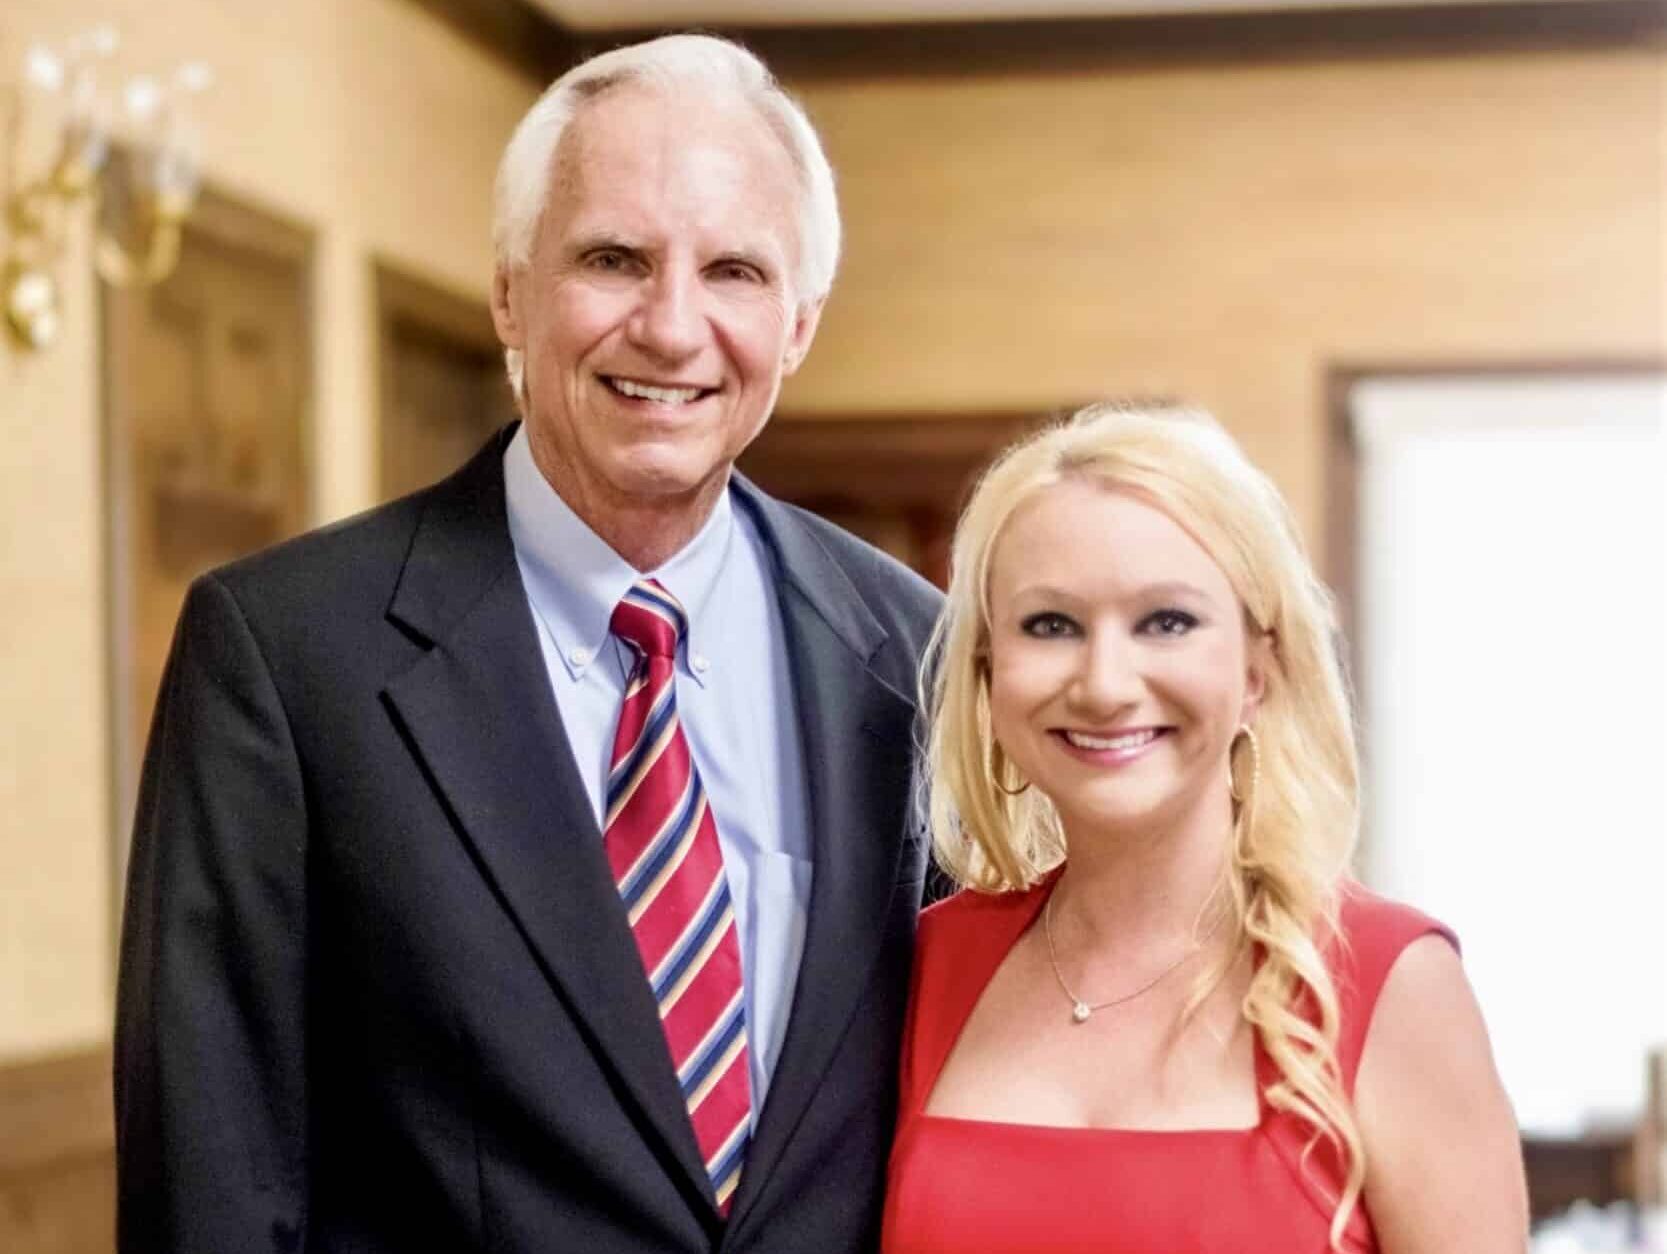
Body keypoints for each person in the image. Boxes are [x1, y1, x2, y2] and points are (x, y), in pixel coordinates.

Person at [115, 34, 941, 1254]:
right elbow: (212, 1185)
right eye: (613, 259)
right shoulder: (285, 658)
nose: (671, 327)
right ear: (509, 292)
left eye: (733, 271)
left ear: (798, 325)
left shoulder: (914, 652)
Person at [882, 404, 1527, 1252]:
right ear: (988, 673)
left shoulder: (1389, 983)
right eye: (1050, 625)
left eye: (1166, 622)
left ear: (1257, 670)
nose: (1105, 684)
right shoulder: (926, 962)